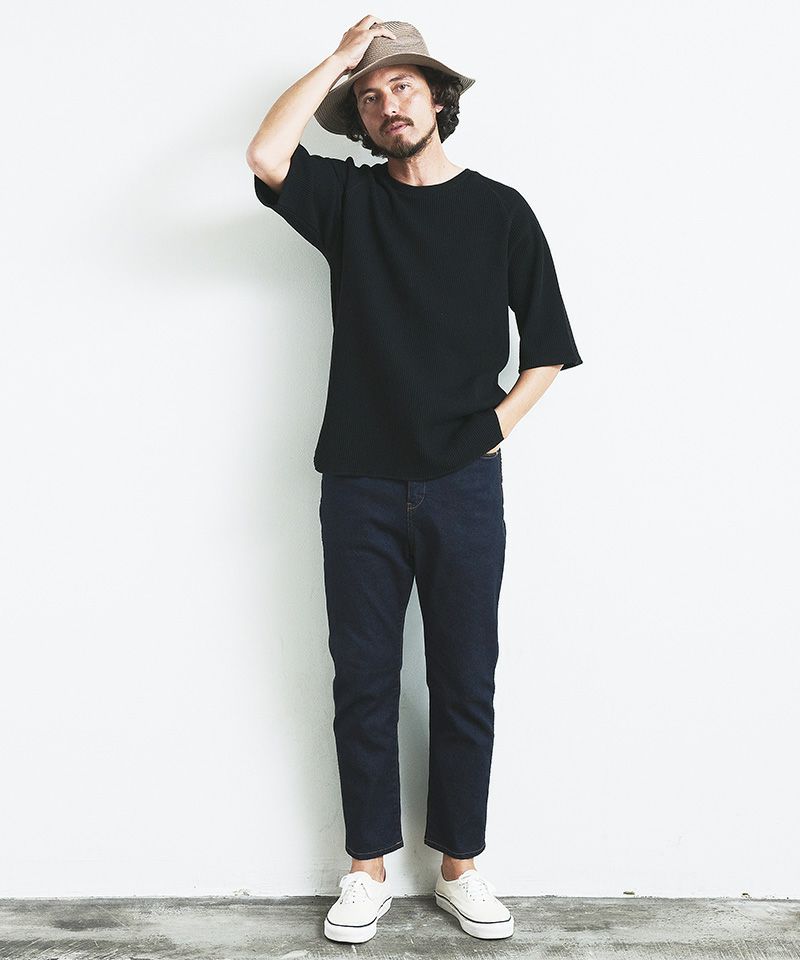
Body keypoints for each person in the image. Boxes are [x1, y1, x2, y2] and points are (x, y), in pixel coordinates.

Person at [246, 16, 582, 944]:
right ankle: (367, 872)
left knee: (465, 680)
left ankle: (460, 867)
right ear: (358, 116)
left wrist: (487, 434)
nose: (387, 103)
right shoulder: (348, 203)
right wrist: (336, 60)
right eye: (369, 95)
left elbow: (549, 349)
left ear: (438, 98)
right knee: (364, 679)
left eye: (402, 85)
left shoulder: (502, 211)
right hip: (358, 483)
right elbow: (268, 153)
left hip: (464, 488)